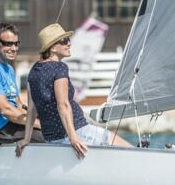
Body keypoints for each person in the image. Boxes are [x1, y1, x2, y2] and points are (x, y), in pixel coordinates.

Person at [16, 23, 132, 159]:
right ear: (53, 47)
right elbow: (63, 105)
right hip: (78, 131)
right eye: (64, 41)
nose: (69, 44)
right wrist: (73, 138)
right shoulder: (59, 68)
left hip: (52, 139)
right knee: (128, 149)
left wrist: (26, 139)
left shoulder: (33, 71)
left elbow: (32, 109)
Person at [0, 22, 45, 146]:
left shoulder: (8, 68)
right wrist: (37, 124)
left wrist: (38, 117)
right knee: (48, 135)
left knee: (53, 128)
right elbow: (5, 109)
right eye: (8, 44)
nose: (14, 48)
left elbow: (18, 104)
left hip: (10, 122)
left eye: (16, 44)